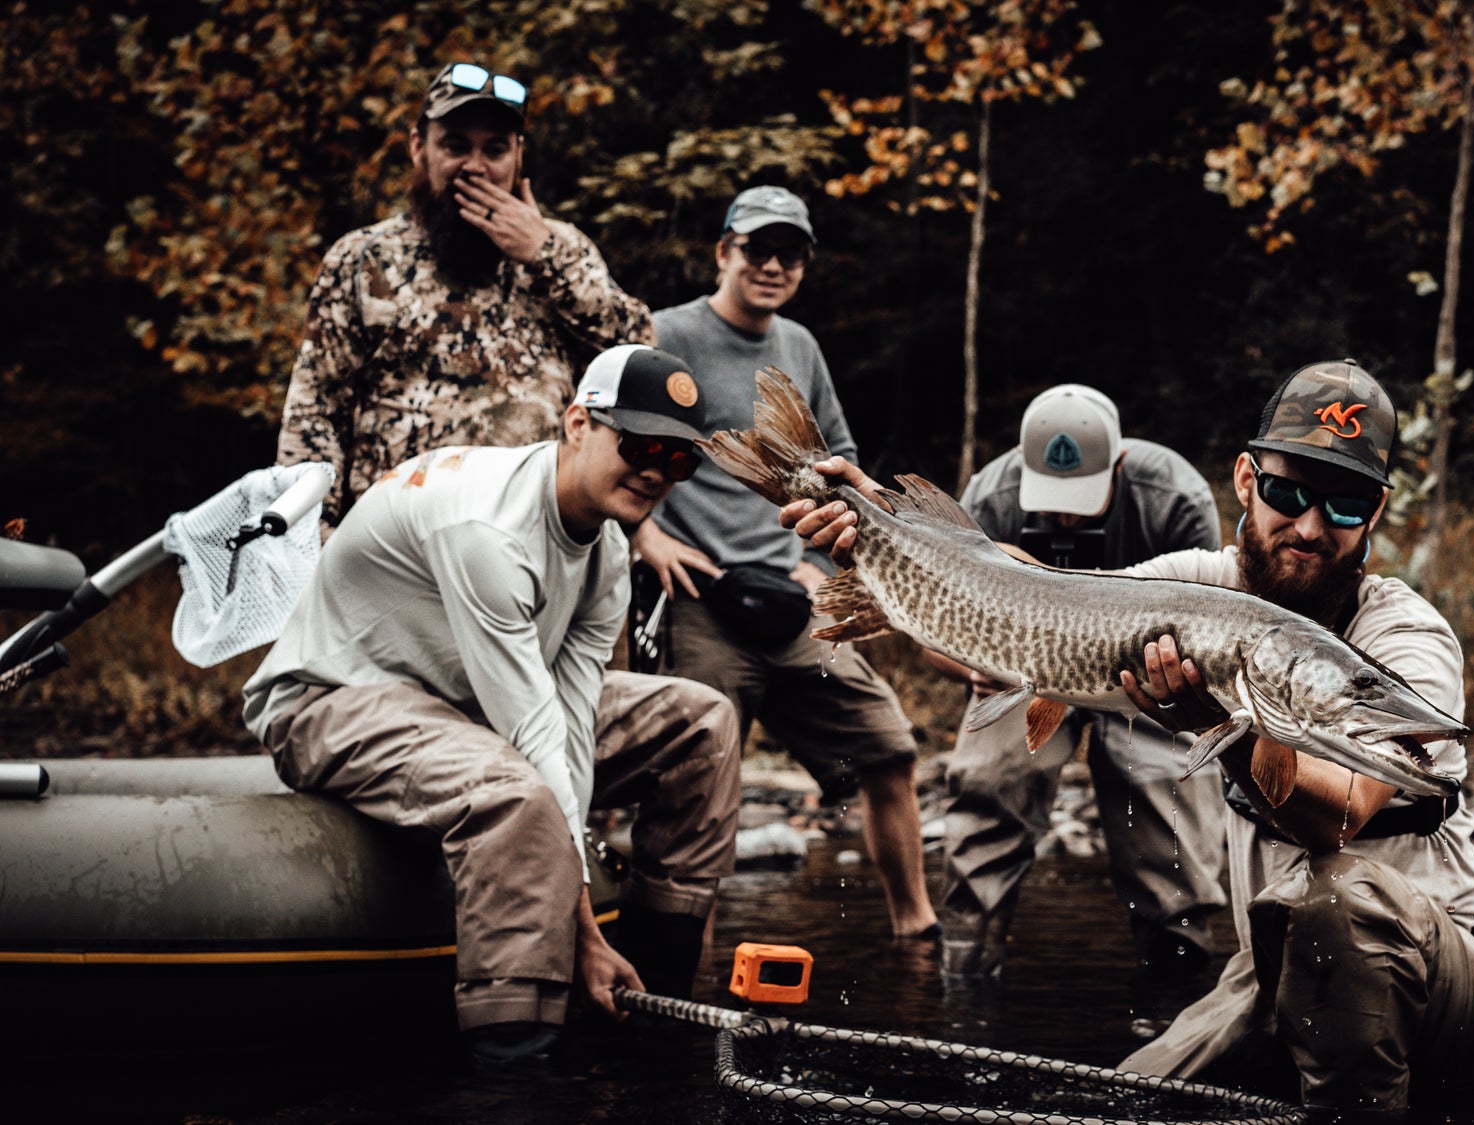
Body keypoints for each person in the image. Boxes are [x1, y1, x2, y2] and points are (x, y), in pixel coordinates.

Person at [784, 361, 1474, 1119]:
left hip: (1453, 986)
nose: (1309, 524)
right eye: (1287, 491)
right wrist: (877, 523)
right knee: (1110, 1105)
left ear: (1375, 512)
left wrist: (1222, 726)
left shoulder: (1406, 638)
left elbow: (1333, 818)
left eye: (1344, 502)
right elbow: (1049, 598)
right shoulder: (1199, 585)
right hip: (1273, 975)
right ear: (1245, 479)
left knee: (1340, 897)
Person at [243, 345, 742, 1071]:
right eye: (639, 445)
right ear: (577, 423)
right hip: (331, 698)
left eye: (679, 459)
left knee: (705, 724)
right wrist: (584, 935)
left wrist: (602, 941)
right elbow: (533, 743)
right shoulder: (488, 529)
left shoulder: (607, 553)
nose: (657, 471)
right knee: (518, 795)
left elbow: (570, 718)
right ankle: (514, 1068)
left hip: (464, 702)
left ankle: (655, 1008)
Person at [630, 186, 937, 941]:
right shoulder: (666, 333)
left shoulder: (799, 345)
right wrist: (647, 535)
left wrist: (810, 559)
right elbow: (612, 440)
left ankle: (918, 937)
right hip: (700, 594)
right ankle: (681, 964)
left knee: (889, 745)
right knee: (700, 778)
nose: (772, 265)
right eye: (757, 249)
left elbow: (843, 459)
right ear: (723, 251)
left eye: (789, 253)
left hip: (792, 602)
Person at [933, 384, 1229, 982]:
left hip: (1148, 681)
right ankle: (963, 973)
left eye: (1080, 500)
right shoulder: (990, 497)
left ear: (1118, 464)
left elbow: (1211, 627)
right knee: (990, 784)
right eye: (1051, 499)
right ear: (1021, 464)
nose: (1064, 516)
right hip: (1024, 670)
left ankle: (1177, 985)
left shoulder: (1176, 499)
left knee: (1170, 811)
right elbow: (936, 625)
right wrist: (969, 667)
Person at [277, 62, 655, 528]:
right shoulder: (363, 258)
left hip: (534, 536)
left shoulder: (564, 250)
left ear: (519, 155)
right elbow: (315, 412)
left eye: (495, 149)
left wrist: (545, 256)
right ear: (419, 148)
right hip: (396, 542)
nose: (475, 167)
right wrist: (313, 535)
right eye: (455, 146)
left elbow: (638, 361)